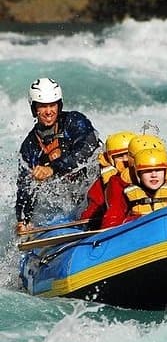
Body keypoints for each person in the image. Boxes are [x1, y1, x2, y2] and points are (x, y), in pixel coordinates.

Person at [16, 77, 101, 234]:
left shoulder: (75, 121)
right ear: (34, 109)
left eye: (52, 105)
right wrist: (23, 220)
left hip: (96, 187)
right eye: (42, 106)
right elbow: (24, 187)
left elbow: (87, 148)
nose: (49, 112)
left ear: (59, 105)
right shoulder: (29, 147)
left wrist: (53, 169)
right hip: (70, 201)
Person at [79, 131, 135, 224]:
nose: (125, 160)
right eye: (120, 156)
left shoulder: (153, 175)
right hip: (113, 222)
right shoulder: (101, 185)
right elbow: (90, 212)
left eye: (129, 155)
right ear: (110, 160)